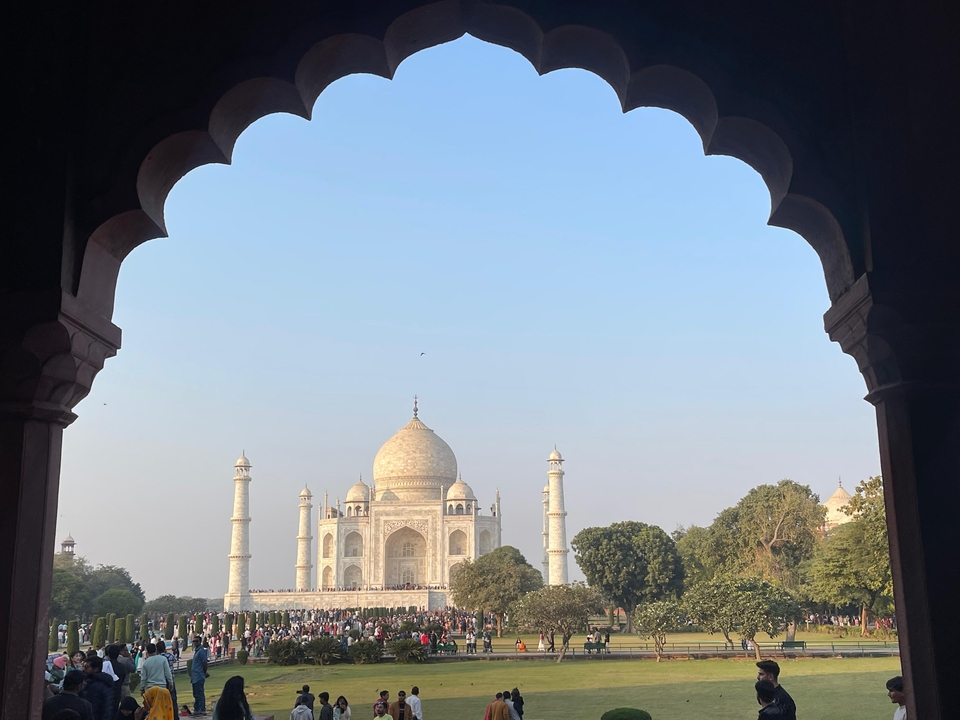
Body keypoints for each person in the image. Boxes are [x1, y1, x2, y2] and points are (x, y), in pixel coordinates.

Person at [80, 656, 115, 720]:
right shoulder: (89, 680)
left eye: (86, 667)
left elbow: (95, 705)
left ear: (96, 669)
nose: (83, 669)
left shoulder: (97, 684)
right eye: (83, 666)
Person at [191, 637, 210, 716]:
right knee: (196, 694)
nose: (195, 642)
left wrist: (204, 673)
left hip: (199, 675)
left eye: (197, 641)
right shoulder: (197, 651)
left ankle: (202, 710)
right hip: (195, 676)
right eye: (194, 641)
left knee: (199, 694)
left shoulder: (201, 651)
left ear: (200, 641)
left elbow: (204, 663)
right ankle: (197, 709)